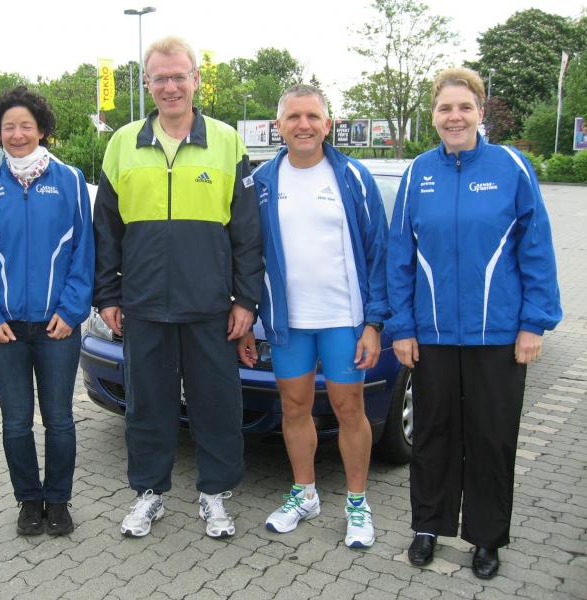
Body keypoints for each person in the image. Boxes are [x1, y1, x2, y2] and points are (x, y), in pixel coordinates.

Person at [387, 67, 562, 579]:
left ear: (480, 112)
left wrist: (534, 323)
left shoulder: (511, 167)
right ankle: (428, 526)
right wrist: (403, 327)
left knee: (492, 438)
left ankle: (487, 536)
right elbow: (399, 257)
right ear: (433, 116)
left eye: (464, 107)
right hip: (433, 336)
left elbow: (536, 248)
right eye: (445, 108)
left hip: (499, 335)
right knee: (433, 435)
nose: (455, 116)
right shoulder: (418, 173)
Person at [93, 36, 262, 539]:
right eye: (160, 78)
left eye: (179, 76)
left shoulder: (227, 142)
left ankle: (215, 495)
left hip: (210, 306)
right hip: (143, 305)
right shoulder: (122, 143)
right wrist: (107, 295)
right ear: (147, 83)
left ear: (196, 79)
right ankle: (149, 494)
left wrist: (246, 300)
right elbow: (106, 231)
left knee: (217, 406)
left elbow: (247, 233)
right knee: (147, 407)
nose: (170, 86)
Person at [238, 84, 389, 548]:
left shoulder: (353, 177)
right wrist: (247, 317)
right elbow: (247, 255)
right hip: (288, 323)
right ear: (278, 126)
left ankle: (357, 504)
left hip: (344, 319)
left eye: (312, 117)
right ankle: (304, 494)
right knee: (294, 408)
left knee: (349, 410)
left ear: (328, 124)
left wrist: (374, 323)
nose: (303, 125)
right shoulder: (261, 182)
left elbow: (378, 251)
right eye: (293, 117)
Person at [0, 86, 93, 538]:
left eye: (26, 126)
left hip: (58, 327)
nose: (17, 135)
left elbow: (84, 252)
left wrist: (72, 310)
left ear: (42, 130)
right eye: (8, 127)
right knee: (16, 422)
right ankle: (28, 501)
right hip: (5, 330)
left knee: (59, 419)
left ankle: (57, 501)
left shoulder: (70, 180)